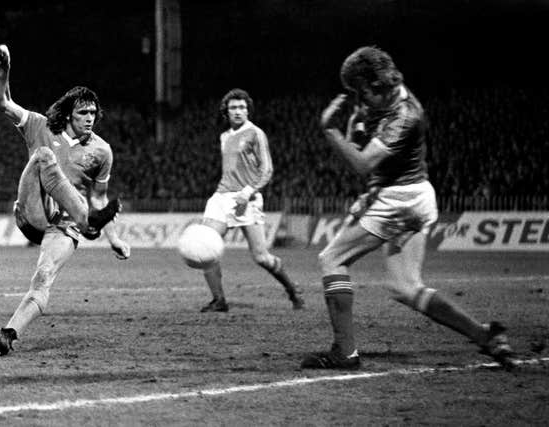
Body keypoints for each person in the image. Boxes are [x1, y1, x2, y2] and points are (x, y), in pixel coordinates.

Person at [301, 46, 514, 370]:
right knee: (406, 287)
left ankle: (344, 352)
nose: (359, 99)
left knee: (331, 258)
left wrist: (330, 130)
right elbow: (374, 161)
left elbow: (361, 163)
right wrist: (369, 178)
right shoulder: (386, 96)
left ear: (375, 85)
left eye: (361, 92)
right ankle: (485, 336)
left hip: (399, 200)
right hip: (415, 196)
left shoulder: (404, 115)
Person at [0, 44, 130, 356]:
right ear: (69, 113)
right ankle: (86, 219)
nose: (90, 118)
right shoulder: (39, 125)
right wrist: (4, 66)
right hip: (32, 212)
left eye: (93, 113)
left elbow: (101, 197)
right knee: (43, 156)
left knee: (44, 276)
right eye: (83, 113)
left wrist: (114, 239)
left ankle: (8, 334)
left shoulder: (102, 151)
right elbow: (2, 101)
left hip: (63, 228)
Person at [196, 88, 304, 312]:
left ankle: (293, 291)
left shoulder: (256, 134)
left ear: (248, 110)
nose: (238, 111)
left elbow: (267, 170)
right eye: (233, 107)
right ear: (226, 111)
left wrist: (248, 191)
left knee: (261, 257)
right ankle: (219, 300)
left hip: (248, 198)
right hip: (221, 197)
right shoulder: (224, 136)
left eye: (242, 107)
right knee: (206, 249)